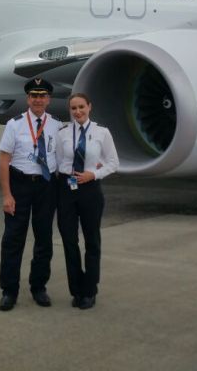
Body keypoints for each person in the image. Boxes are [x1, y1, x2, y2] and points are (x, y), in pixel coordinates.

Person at [0, 77, 62, 311]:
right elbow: (4, 162)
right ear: (28, 98)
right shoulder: (14, 125)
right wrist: (7, 195)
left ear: (48, 99)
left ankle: (39, 287)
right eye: (34, 96)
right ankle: (9, 290)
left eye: (42, 95)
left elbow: (62, 158)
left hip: (46, 186)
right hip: (20, 185)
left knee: (44, 239)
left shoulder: (56, 125)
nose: (38, 100)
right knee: (13, 239)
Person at [55, 92, 119, 309]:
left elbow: (113, 162)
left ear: (89, 107)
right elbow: (58, 162)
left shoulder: (102, 132)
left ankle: (90, 290)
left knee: (92, 241)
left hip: (90, 189)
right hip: (67, 189)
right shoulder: (62, 133)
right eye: (73, 108)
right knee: (69, 241)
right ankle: (76, 289)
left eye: (81, 107)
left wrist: (94, 174)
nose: (78, 112)